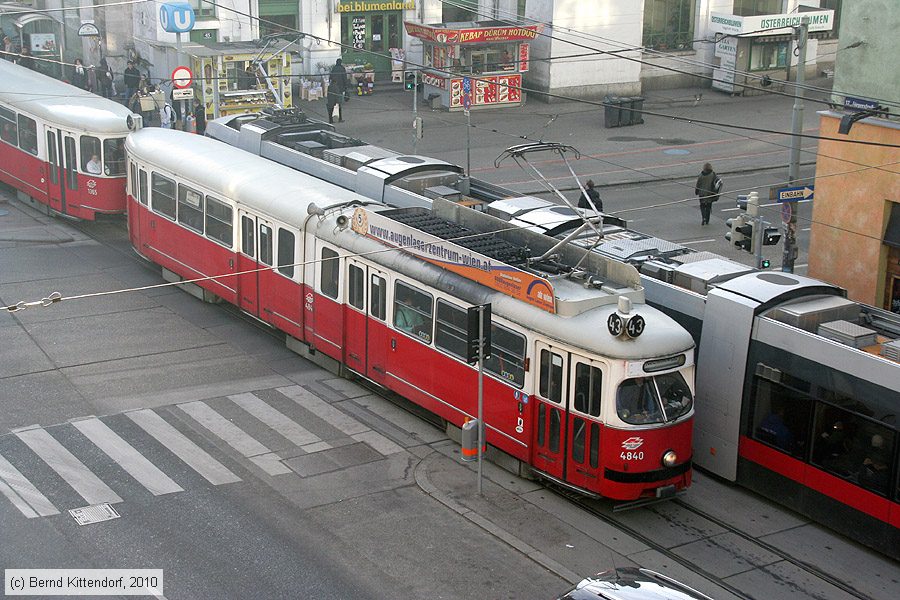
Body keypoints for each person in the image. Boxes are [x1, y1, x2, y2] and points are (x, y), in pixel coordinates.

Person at [327, 58, 348, 124]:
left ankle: (330, 119)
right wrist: (346, 87)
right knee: (339, 104)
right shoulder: (342, 68)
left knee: (331, 105)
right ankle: (340, 118)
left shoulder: (334, 68)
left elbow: (330, 77)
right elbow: (345, 78)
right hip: (339, 88)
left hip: (332, 89)